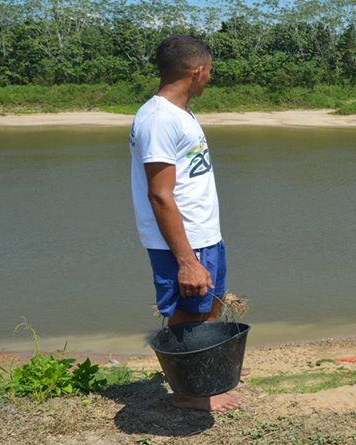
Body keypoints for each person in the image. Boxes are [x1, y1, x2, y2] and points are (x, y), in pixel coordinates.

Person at [129, 35, 240, 412]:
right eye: (209, 70)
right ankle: (189, 392)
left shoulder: (179, 113)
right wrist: (187, 261)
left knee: (210, 304)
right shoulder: (159, 119)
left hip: (204, 232)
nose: (210, 76)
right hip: (182, 240)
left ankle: (206, 372)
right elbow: (159, 195)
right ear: (197, 70)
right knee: (188, 311)